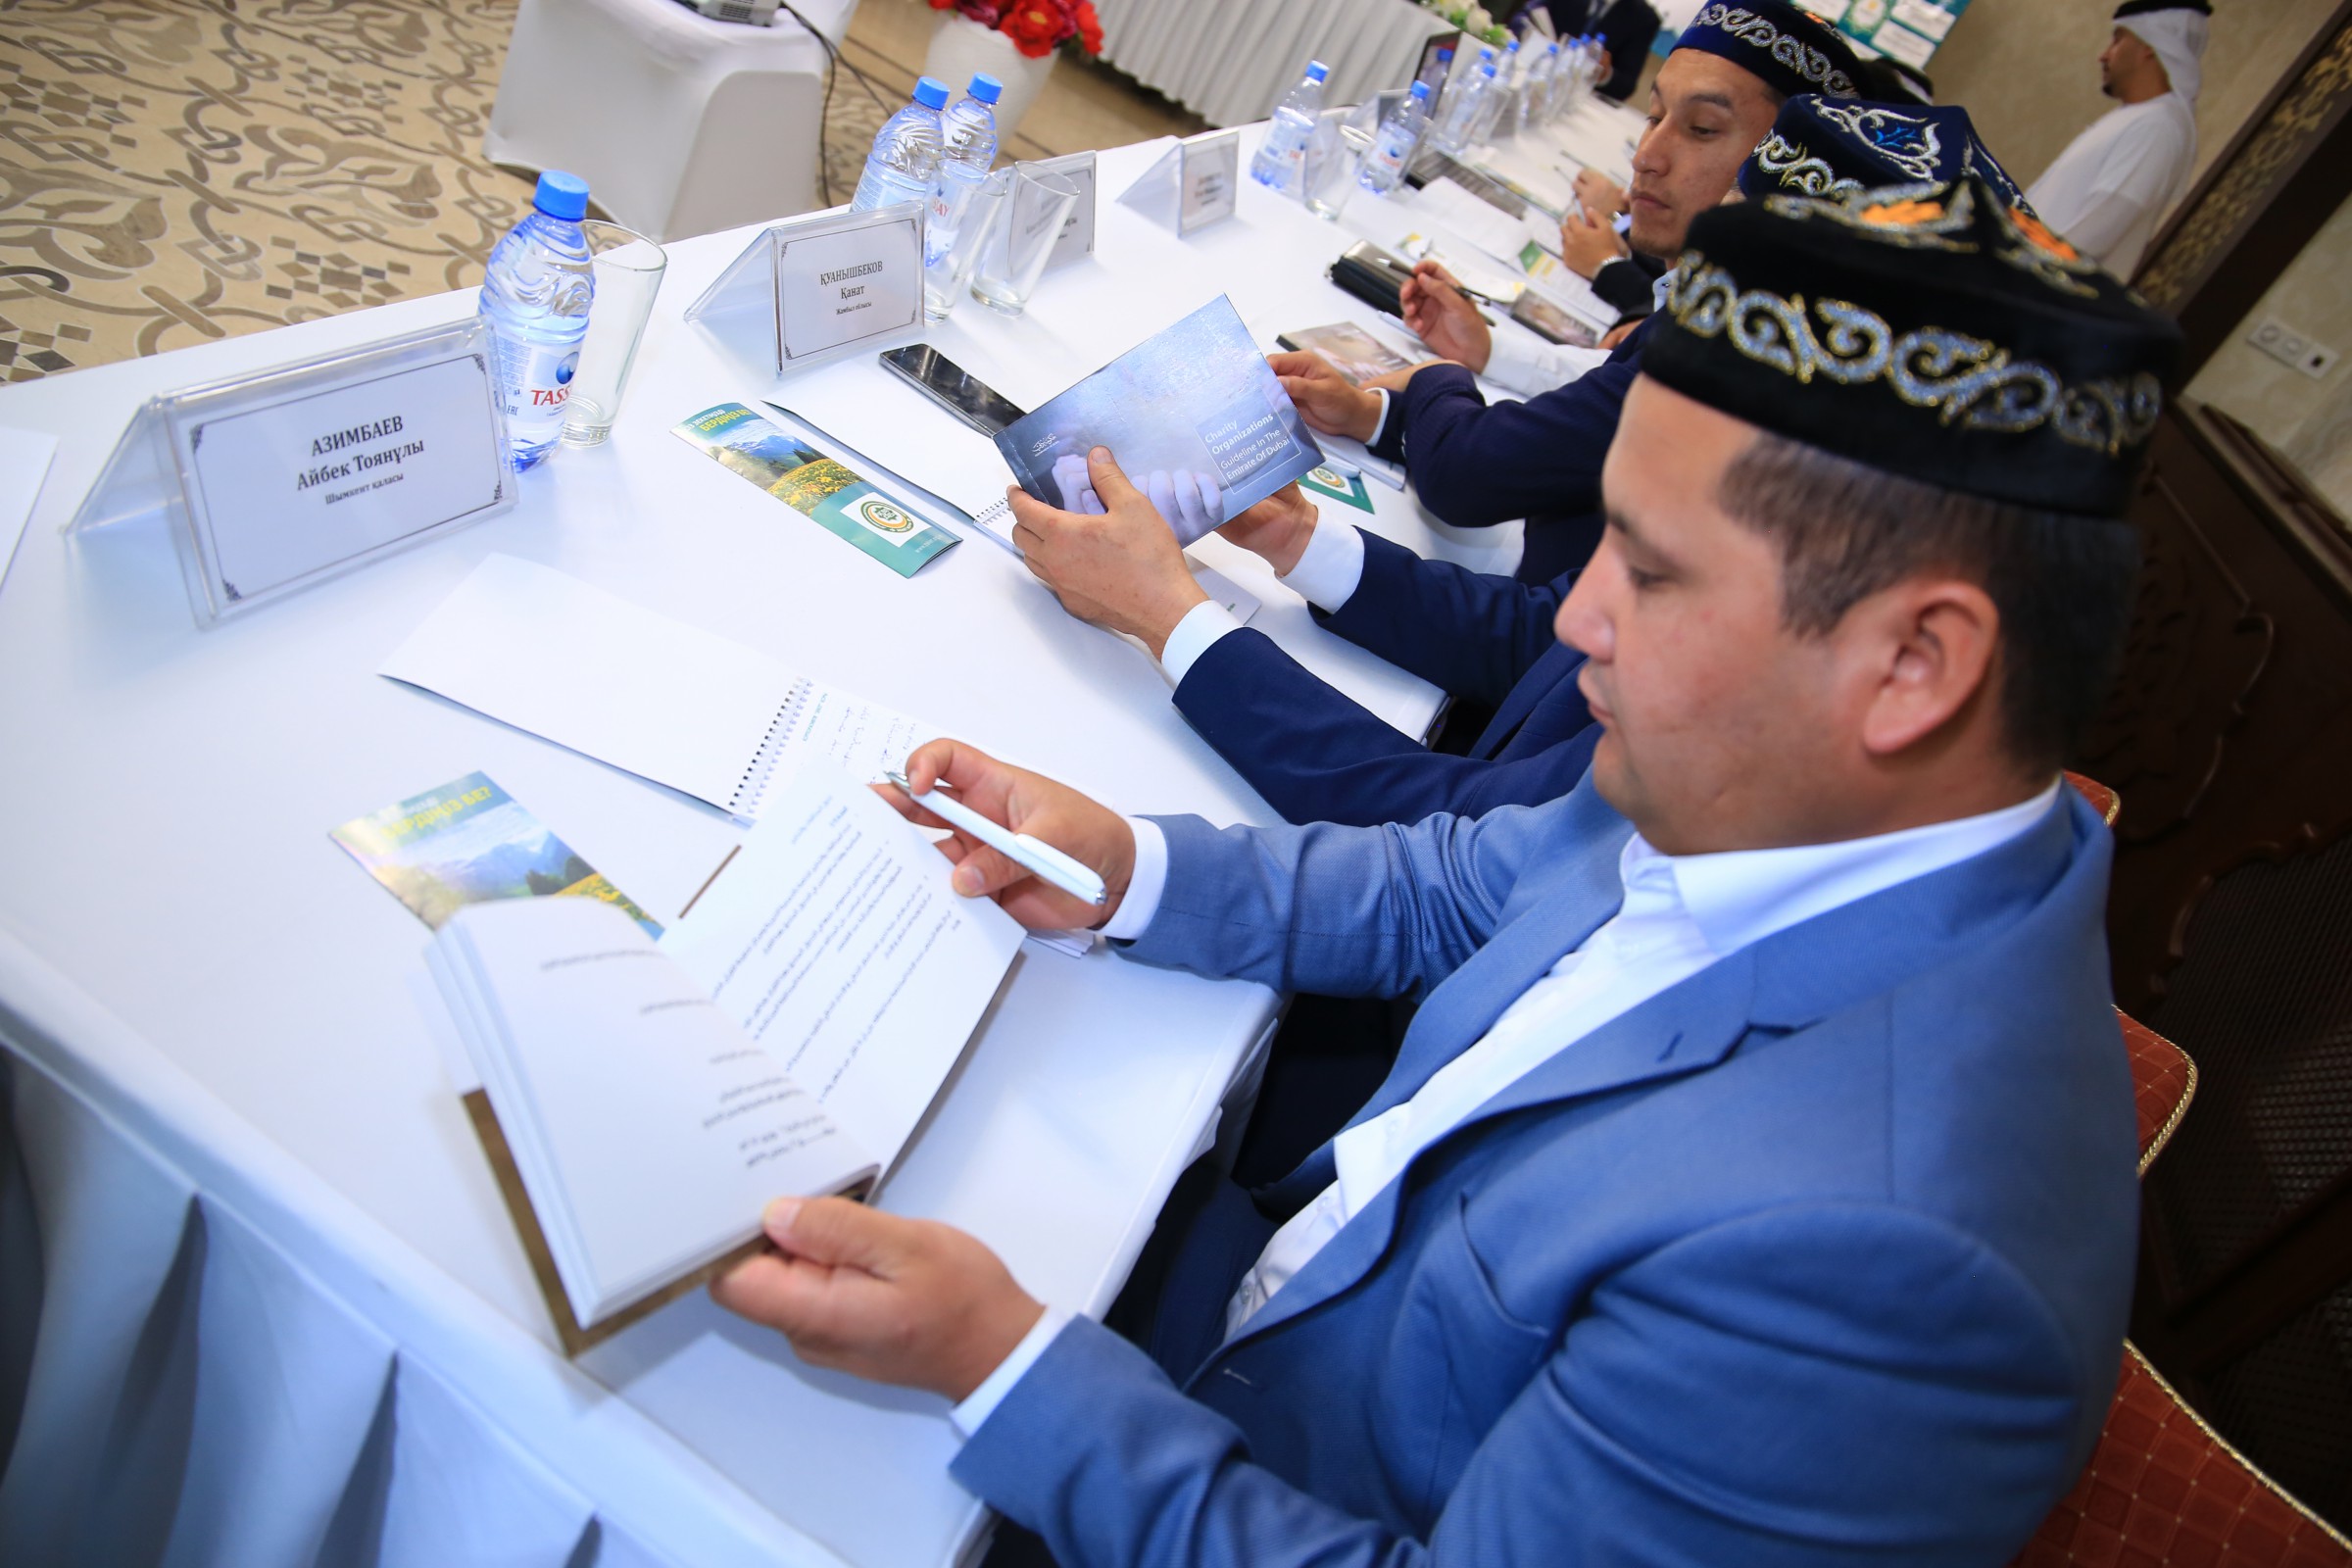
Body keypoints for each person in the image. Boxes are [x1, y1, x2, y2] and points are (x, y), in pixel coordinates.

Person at [709, 175, 2177, 1563]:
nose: (1578, 620)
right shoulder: (1792, 788)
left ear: (1914, 666)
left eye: (1655, 573)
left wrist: (1008, 1372)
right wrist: (1129, 870)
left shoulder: (1887, 1275)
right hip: (1254, 1287)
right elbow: (1449, 886)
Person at [1004, 91, 2017, 835]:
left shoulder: (1787, 682)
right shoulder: (1779, 503)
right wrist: (1295, 538)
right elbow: (1543, 638)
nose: (1649, 158)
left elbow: (1454, 837)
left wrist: (1170, 615)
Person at [1278, 0, 1863, 584]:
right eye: (1653, 116)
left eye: (1702, 129)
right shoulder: (1722, 308)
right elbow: (1604, 380)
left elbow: (1471, 476)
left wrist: (1435, 378)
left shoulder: (1729, 348)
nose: (1647, 157)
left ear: (1783, 175)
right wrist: (1431, 385)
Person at [2027, 0, 2207, 276]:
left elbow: (2098, 228)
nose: (2103, 55)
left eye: (2117, 40)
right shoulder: (2136, 117)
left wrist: (2012, 268)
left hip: (2034, 285)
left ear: (2149, 46)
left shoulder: (2157, 126)